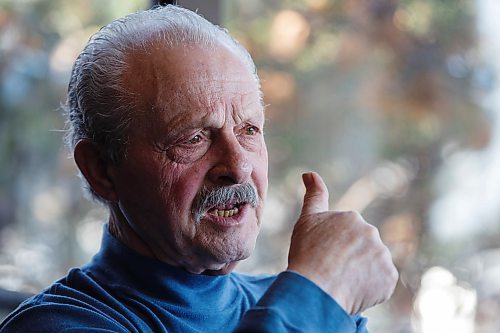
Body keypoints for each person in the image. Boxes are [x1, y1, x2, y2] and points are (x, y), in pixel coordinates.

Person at [0, 5, 398, 332]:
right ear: (101, 169)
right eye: (193, 138)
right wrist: (319, 293)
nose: (238, 166)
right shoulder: (57, 324)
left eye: (249, 130)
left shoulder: (301, 306)